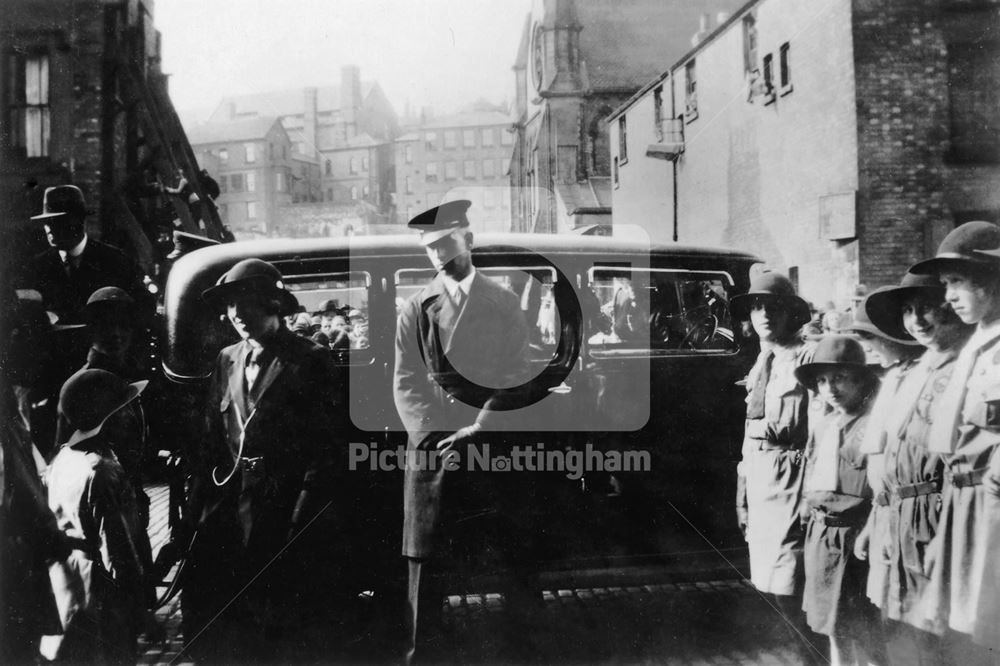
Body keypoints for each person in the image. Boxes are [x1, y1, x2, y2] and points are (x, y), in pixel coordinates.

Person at [393, 200, 534, 664]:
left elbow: (518, 372)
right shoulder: (416, 307)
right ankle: (422, 656)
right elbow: (406, 382)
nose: (437, 256)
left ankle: (519, 652)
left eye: (445, 244)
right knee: (424, 563)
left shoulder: (504, 301)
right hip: (434, 449)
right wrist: (433, 438)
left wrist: (480, 426)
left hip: (489, 445)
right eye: (429, 249)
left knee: (512, 557)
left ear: (468, 240)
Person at [185, 258, 341, 660]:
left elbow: (324, 452)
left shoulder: (310, 360)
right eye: (230, 305)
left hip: (283, 510)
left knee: (284, 620)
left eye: (247, 303)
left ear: (274, 305)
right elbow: (212, 443)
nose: (236, 314)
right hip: (232, 509)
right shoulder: (226, 359)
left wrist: (300, 520)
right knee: (232, 617)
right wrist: (195, 515)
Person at [854, 271, 973, 664]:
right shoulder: (912, 371)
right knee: (898, 630)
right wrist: (877, 519)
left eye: (927, 308)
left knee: (935, 638)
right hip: (896, 520)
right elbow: (889, 455)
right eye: (908, 311)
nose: (917, 320)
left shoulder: (970, 367)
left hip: (938, 518)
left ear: (951, 308)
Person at [908, 221, 1000, 663]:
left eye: (958, 281)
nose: (947, 297)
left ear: (991, 280)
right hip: (962, 503)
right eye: (946, 284)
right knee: (965, 629)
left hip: (991, 507)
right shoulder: (978, 341)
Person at [730, 271, 825, 664]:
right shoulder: (763, 359)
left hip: (793, 477)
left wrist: (813, 491)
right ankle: (804, 654)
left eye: (774, 306)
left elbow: (821, 431)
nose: (764, 314)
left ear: (792, 313)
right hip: (761, 477)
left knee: (791, 582)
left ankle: (815, 656)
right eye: (757, 306)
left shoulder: (808, 357)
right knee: (770, 581)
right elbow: (750, 431)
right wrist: (743, 493)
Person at [45, 369, 161, 664]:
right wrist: (142, 612)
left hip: (68, 593)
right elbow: (119, 553)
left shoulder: (63, 460)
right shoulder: (104, 471)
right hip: (105, 604)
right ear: (110, 418)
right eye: (126, 409)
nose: (133, 415)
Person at [796, 335, 884, 666]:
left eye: (840, 378)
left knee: (865, 627)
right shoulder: (823, 426)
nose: (830, 388)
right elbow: (811, 476)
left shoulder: (875, 422)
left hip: (856, 537)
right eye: (821, 380)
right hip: (823, 537)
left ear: (861, 379)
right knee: (832, 625)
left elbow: (881, 487)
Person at [25, 185, 153, 325]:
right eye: (46, 222)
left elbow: (143, 307)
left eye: (56, 221)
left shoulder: (115, 260)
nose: (48, 228)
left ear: (78, 221)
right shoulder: (38, 266)